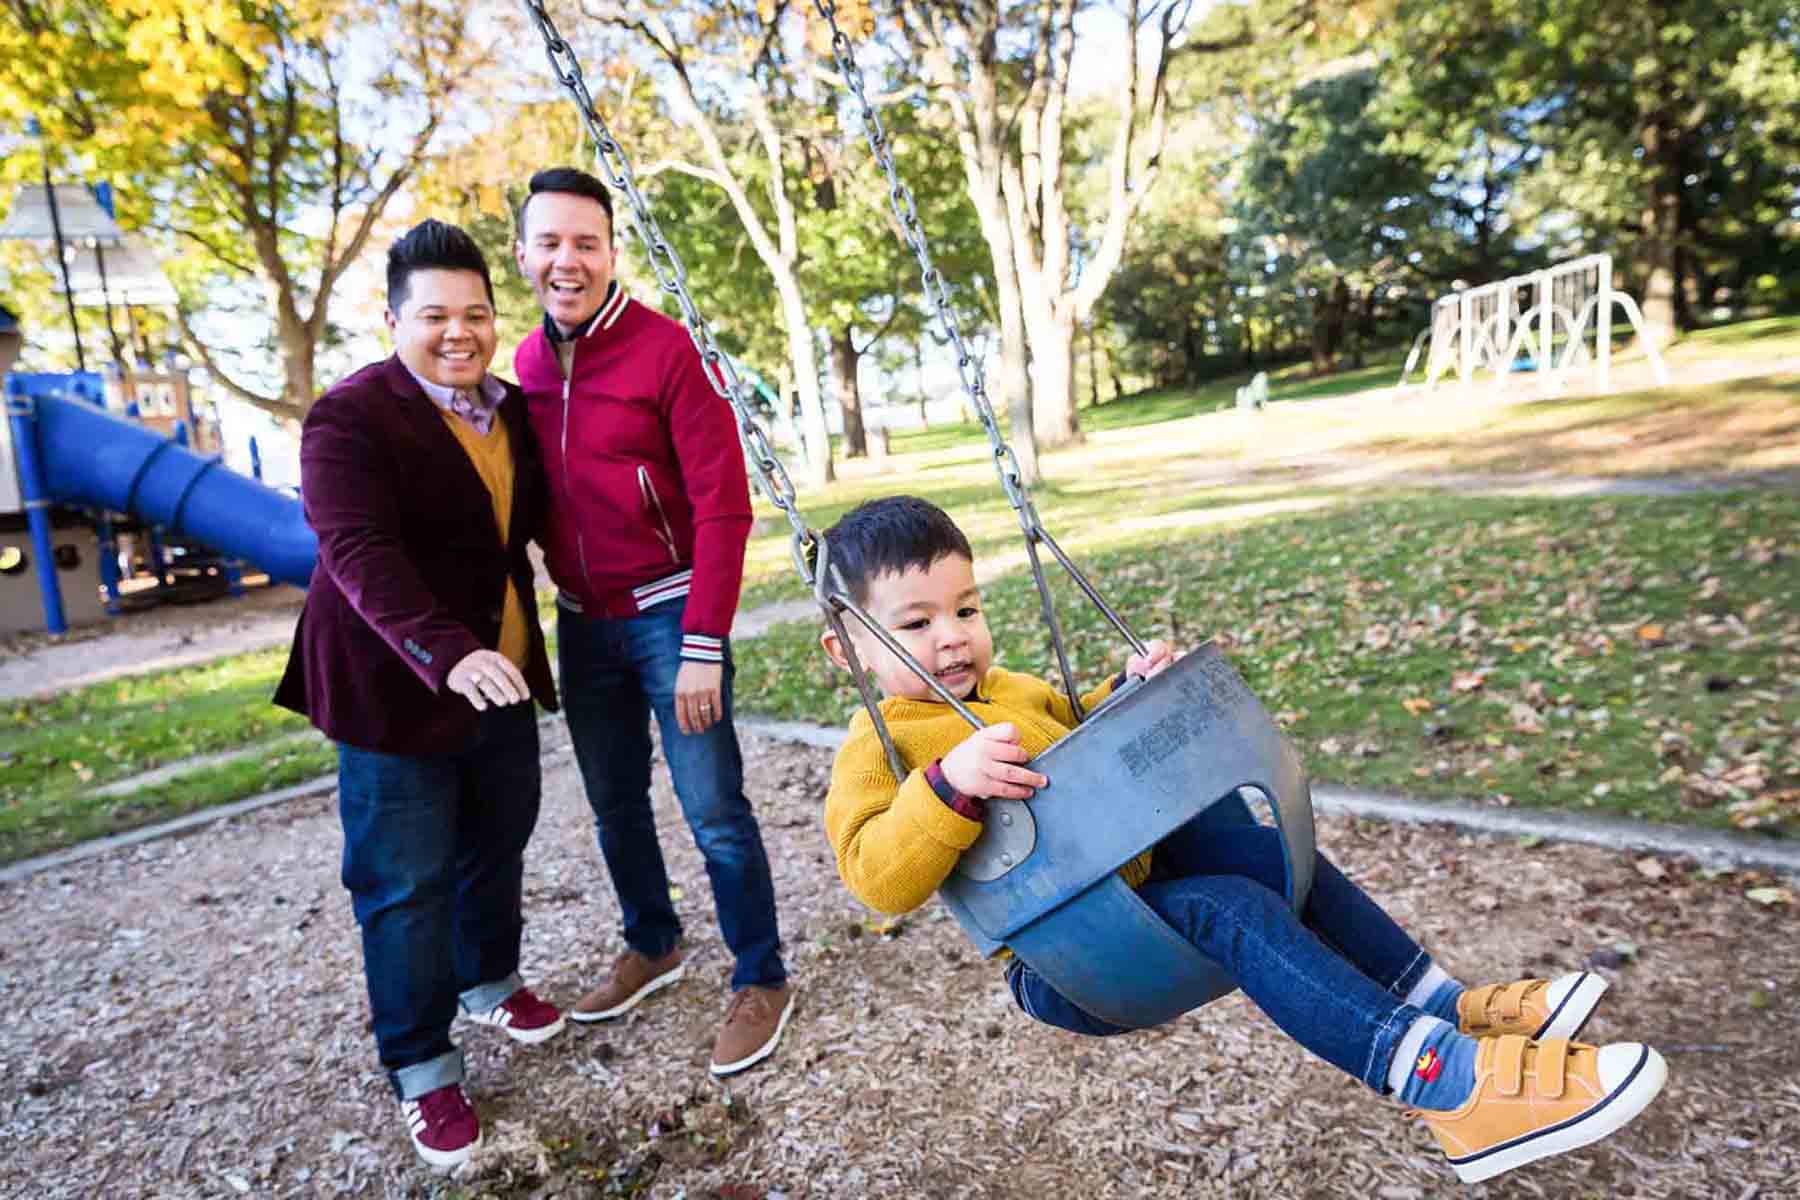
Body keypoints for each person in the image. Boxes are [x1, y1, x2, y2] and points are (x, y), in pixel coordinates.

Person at [817, 495, 1667, 1185]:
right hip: (1067, 961)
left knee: (1276, 861)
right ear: (845, 650)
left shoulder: (1011, 687)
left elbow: (1079, 743)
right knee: (1231, 908)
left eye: (965, 608)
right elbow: (874, 876)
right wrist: (944, 789)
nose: (953, 636)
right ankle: (1446, 1086)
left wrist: (1126, 694)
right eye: (916, 626)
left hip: (1134, 892)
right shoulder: (880, 748)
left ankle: (1444, 1006)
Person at [275, 220, 565, 1170]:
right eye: (434, 314)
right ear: (391, 317)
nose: (458, 331)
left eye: (476, 312)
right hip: (395, 689)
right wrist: (445, 653)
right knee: (404, 882)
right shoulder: (348, 419)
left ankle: (489, 980)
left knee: (499, 840)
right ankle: (423, 1066)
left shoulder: (514, 410)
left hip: (505, 675)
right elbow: (357, 554)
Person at [511, 166, 792, 1076]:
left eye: (585, 242)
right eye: (550, 242)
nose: (568, 260)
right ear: (523, 256)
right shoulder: (519, 365)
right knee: (613, 804)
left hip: (673, 612)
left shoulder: (671, 352)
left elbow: (724, 507)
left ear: (611, 252)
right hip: (582, 621)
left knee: (712, 808)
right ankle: (653, 941)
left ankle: (761, 973)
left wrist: (704, 644)